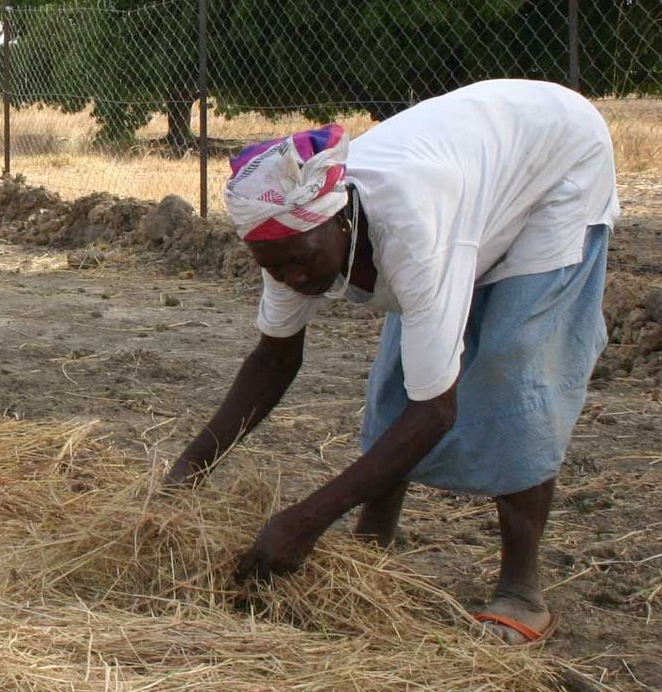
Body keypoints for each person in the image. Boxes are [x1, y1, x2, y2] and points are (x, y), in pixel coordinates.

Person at [167, 79, 619, 644]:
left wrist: (306, 521)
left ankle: (521, 589)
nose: (293, 278)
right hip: (471, 169)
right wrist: (186, 472)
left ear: (340, 220)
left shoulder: (413, 229)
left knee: (515, 364)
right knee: (397, 379)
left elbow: (437, 412)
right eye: (274, 268)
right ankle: (373, 546)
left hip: (557, 162)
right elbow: (273, 359)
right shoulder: (287, 236)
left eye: (299, 263)